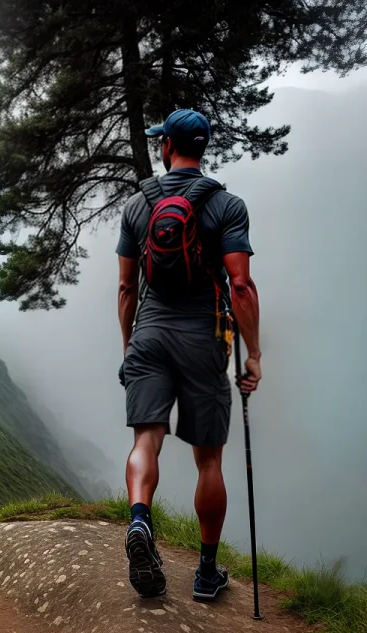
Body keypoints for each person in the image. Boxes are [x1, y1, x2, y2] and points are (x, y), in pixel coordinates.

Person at [116, 108, 262, 601]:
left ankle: (140, 521)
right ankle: (204, 574)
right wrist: (254, 355)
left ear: (166, 147)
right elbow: (239, 284)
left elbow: (124, 290)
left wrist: (129, 346)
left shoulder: (138, 207)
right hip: (203, 339)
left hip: (151, 335)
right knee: (209, 463)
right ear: (202, 149)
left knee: (146, 440)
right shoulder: (227, 205)